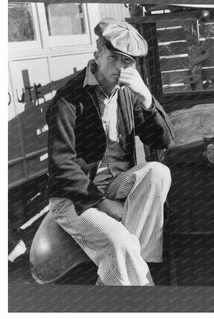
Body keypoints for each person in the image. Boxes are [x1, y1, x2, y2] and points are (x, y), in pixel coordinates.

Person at [46, 18, 174, 286]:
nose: (120, 67)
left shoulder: (128, 93)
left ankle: (127, 274)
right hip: (73, 197)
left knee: (158, 172)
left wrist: (147, 99)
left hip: (115, 184)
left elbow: (163, 139)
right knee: (119, 242)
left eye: (128, 61)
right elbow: (61, 166)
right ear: (97, 53)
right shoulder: (68, 98)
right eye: (114, 57)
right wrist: (102, 204)